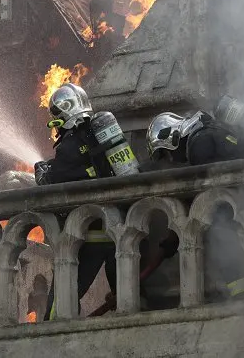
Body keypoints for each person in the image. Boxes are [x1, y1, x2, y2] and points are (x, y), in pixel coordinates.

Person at [34, 84, 177, 317]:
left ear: (64, 112)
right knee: (131, 297)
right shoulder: (100, 134)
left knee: (59, 304)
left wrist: (43, 172)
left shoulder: (70, 145)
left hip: (91, 236)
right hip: (123, 230)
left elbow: (54, 180)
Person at [145, 110, 244, 300]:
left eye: (166, 153)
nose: (171, 159)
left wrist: (173, 236)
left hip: (239, 202)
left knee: (218, 234)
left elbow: (205, 192)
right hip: (243, 198)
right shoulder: (206, 133)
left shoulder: (199, 143)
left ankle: (242, 294)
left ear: (173, 138)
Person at [146, 110, 244, 166]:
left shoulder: (197, 146)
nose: (172, 159)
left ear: (173, 140)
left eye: (167, 154)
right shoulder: (204, 129)